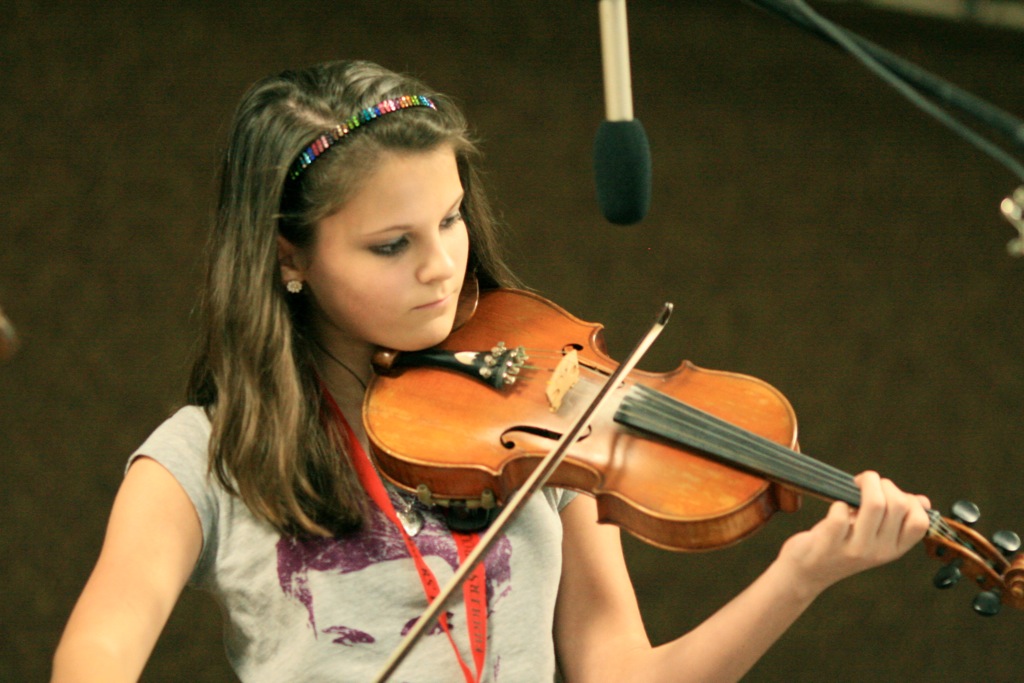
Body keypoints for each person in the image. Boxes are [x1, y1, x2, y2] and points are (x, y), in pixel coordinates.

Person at [51, 60, 932, 683]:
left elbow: (623, 674)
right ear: (289, 257)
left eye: (449, 219)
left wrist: (802, 573)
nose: (441, 265)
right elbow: (95, 655)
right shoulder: (202, 458)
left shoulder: (542, 421)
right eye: (391, 245)